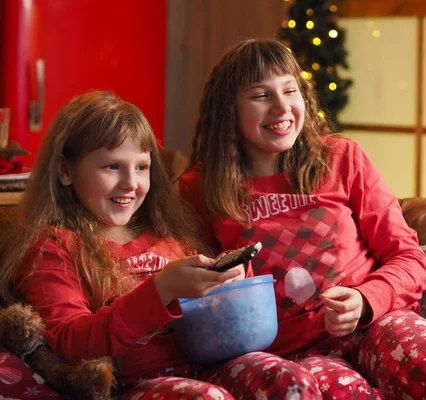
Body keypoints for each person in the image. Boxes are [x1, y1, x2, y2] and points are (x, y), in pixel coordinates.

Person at [179, 38, 426, 400]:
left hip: (378, 323)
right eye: (260, 95)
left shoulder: (342, 158)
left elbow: (408, 258)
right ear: (227, 110)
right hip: (295, 354)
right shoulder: (200, 188)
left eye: (290, 91)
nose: (282, 106)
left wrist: (364, 300)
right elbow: (186, 287)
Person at [0, 91, 247, 399]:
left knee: (280, 374)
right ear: (65, 170)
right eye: (113, 167)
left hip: (209, 367)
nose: (131, 183)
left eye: (142, 167)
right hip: (138, 385)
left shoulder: (168, 238)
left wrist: (225, 284)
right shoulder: (52, 247)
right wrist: (161, 289)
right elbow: (71, 344)